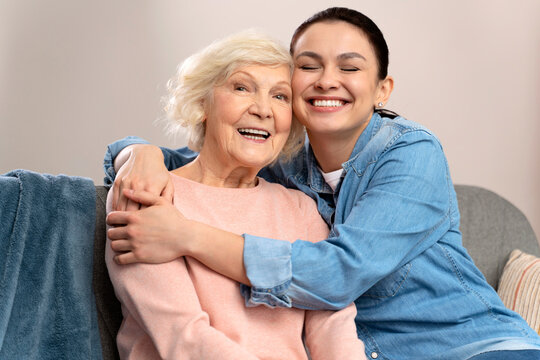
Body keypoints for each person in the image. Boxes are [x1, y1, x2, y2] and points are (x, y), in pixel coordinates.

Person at [105, 7, 540, 360]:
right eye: (308, 66)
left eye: (349, 68)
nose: (326, 80)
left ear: (382, 89)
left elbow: (336, 276)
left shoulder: (411, 154)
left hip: (471, 347)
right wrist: (136, 152)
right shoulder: (284, 164)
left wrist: (186, 236)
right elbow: (201, 161)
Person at [105, 30, 365, 359]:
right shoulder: (147, 192)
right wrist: (137, 153)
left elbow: (331, 323)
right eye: (242, 88)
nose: (263, 109)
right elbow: (182, 336)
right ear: (202, 103)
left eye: (281, 96)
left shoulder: (300, 208)